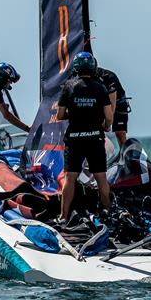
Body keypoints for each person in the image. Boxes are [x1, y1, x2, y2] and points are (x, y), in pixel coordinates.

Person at [56, 52, 113, 221]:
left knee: (70, 177)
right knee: (101, 177)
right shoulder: (100, 87)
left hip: (74, 139)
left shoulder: (68, 86)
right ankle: (108, 214)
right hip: (95, 138)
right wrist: (105, 126)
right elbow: (109, 117)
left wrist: (73, 114)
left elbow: (60, 115)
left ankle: (63, 216)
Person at [94, 65, 129, 147]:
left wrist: (108, 124)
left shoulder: (108, 77)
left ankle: (124, 153)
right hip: (100, 102)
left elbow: (111, 106)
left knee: (120, 133)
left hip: (118, 102)